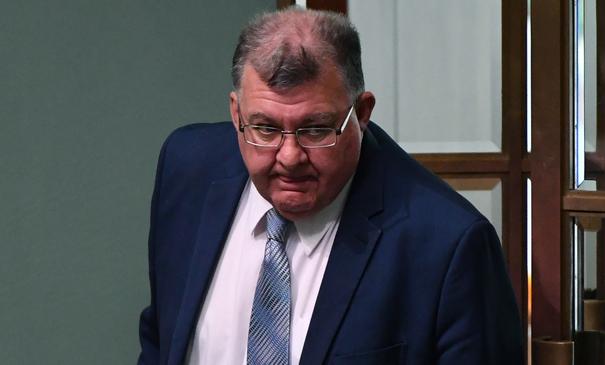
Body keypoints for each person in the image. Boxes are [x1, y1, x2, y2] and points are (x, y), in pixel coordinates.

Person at [138, 7, 523, 365]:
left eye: (316, 129)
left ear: (363, 112)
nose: (289, 156)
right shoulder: (187, 169)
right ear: (236, 112)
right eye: (266, 128)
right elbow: (161, 339)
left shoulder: (449, 245)